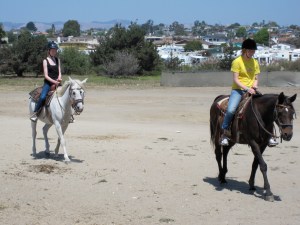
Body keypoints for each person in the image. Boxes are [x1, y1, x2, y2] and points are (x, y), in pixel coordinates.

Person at [220, 38, 278, 147]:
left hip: (252, 90)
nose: (252, 53)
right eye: (250, 51)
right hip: (238, 90)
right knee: (231, 109)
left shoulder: (255, 62)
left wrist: (255, 85)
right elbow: (236, 80)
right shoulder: (237, 62)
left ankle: (270, 136)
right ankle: (224, 133)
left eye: (253, 51)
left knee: (267, 109)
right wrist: (247, 88)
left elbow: (256, 78)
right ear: (244, 50)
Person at [30, 41, 62, 122]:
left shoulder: (58, 60)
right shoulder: (45, 61)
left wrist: (59, 78)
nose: (54, 51)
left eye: (55, 50)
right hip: (48, 83)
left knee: (68, 95)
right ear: (49, 50)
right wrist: (54, 82)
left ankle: (69, 116)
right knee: (43, 96)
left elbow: (59, 71)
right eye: (52, 50)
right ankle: (35, 113)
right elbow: (46, 76)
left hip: (57, 82)